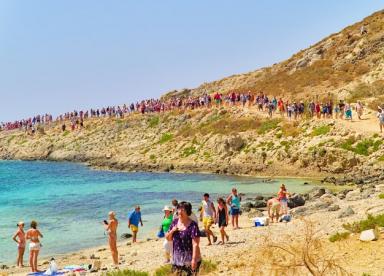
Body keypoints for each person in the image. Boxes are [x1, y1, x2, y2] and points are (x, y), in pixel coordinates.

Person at [166, 201, 201, 275]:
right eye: (179, 209)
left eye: (183, 210)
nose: (180, 211)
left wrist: (194, 260)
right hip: (177, 259)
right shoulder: (174, 223)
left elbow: (195, 244)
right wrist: (172, 231)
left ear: (188, 212)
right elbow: (168, 239)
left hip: (190, 259)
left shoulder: (193, 225)